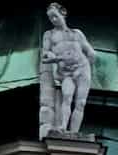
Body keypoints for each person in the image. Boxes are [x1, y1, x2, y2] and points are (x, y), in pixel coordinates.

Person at [39, 3, 97, 140]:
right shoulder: (49, 35)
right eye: (50, 18)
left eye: (55, 16)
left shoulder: (77, 33)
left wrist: (87, 60)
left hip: (82, 69)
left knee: (81, 102)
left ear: (63, 13)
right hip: (66, 72)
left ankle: (74, 132)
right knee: (67, 97)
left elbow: (90, 52)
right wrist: (57, 58)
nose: (53, 20)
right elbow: (44, 56)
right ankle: (64, 128)